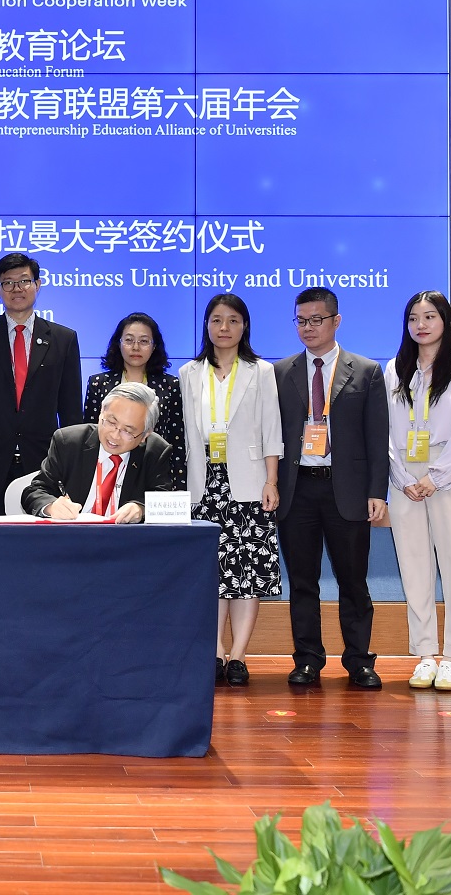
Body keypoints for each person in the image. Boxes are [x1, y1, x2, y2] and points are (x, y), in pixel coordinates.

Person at [274, 287, 390, 689]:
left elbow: (377, 437)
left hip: (348, 491)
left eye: (316, 320)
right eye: (301, 320)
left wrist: (377, 492)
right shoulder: (281, 372)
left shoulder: (366, 371)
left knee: (353, 582)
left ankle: (359, 661)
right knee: (302, 582)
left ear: (336, 321)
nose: (308, 327)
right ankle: (307, 660)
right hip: (297, 491)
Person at [179, 294, 283, 688]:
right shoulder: (189, 372)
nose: (224, 328)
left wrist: (271, 481)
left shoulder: (261, 371)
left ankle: (238, 655)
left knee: (247, 572)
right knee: (212, 572)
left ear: (245, 326)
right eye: (217, 320)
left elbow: (272, 429)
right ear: (206, 325)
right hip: (202, 482)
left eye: (233, 320)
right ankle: (216, 651)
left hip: (249, 482)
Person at [385, 291, 451, 693]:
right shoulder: (395, 369)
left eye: (429, 316)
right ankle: (425, 654)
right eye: (413, 318)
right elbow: (386, 431)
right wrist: (402, 476)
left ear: (445, 321)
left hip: (450, 474)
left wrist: (437, 477)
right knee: (414, 568)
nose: (420, 325)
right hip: (405, 477)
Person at [0, 253, 82, 516]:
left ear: (38, 284)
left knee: (39, 539)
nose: (17, 289)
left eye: (24, 281)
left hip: (44, 464)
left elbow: (71, 413)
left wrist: (71, 468)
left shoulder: (63, 339)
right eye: (8, 283)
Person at [22, 382, 175, 523]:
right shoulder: (69, 442)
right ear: (101, 412)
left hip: (125, 539)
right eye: (111, 422)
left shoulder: (155, 451)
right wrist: (51, 506)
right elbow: (35, 491)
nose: (114, 435)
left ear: (145, 435)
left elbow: (165, 500)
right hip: (73, 536)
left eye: (128, 431)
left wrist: (141, 508)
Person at [85, 312, 187, 490]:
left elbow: (176, 439)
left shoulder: (170, 385)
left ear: (154, 346)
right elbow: (90, 434)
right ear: (118, 343)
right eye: (129, 340)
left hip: (153, 470)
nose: (136, 347)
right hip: (108, 467)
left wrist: (178, 486)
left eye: (144, 341)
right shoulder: (98, 383)